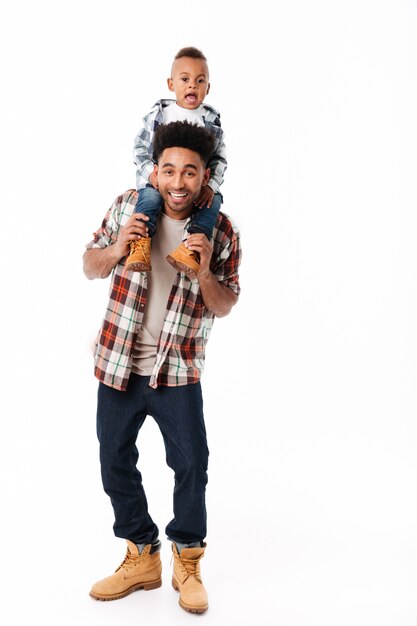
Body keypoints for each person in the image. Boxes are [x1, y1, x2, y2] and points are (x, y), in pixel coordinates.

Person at [83, 121, 241, 614]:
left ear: (203, 178)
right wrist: (115, 248)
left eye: (189, 173)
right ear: (155, 171)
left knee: (192, 467)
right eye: (169, 170)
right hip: (119, 364)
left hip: (178, 372)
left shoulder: (220, 229)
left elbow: (225, 303)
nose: (177, 182)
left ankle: (187, 561)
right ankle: (141, 554)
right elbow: (89, 263)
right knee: (114, 463)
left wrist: (204, 269)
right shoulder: (129, 207)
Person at [126, 46, 227, 277]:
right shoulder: (160, 114)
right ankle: (140, 245)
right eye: (185, 79)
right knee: (149, 197)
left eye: (200, 81)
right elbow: (139, 147)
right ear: (171, 85)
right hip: (157, 180)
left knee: (213, 203)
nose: (192, 85)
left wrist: (210, 187)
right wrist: (148, 174)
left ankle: (190, 249)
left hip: (198, 185)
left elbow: (219, 159)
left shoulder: (211, 120)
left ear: (208, 88)